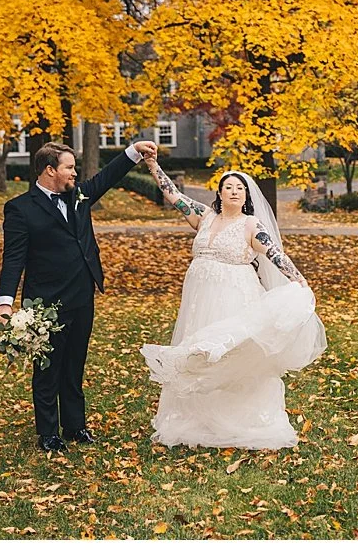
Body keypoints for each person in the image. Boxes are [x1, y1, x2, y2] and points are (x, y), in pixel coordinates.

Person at [139, 157, 327, 450]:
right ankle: (198, 416)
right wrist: (152, 165)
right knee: (199, 349)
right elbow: (172, 195)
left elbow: (275, 254)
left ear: (246, 196)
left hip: (234, 295)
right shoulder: (204, 216)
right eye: (229, 187)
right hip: (199, 297)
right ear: (220, 193)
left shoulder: (251, 225)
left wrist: (298, 279)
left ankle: (240, 418)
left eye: (240, 188)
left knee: (230, 351)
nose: (234, 191)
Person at [0, 139, 158, 453]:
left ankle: (75, 426)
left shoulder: (79, 195)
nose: (74, 173)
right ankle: (48, 433)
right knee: (48, 368)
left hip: (83, 294)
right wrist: (5, 303)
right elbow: (13, 258)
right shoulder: (20, 208)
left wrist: (134, 151)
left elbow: (107, 177)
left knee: (74, 364)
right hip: (45, 303)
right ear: (49, 170)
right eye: (69, 167)